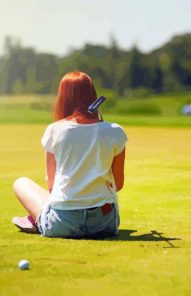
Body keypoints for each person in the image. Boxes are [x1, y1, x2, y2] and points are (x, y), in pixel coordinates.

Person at [12, 71, 127, 238]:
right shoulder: (116, 131)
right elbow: (118, 184)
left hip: (62, 223)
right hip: (103, 224)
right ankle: (41, 218)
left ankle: (40, 219)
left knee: (21, 182)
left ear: (63, 97)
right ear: (92, 95)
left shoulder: (54, 130)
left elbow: (51, 185)